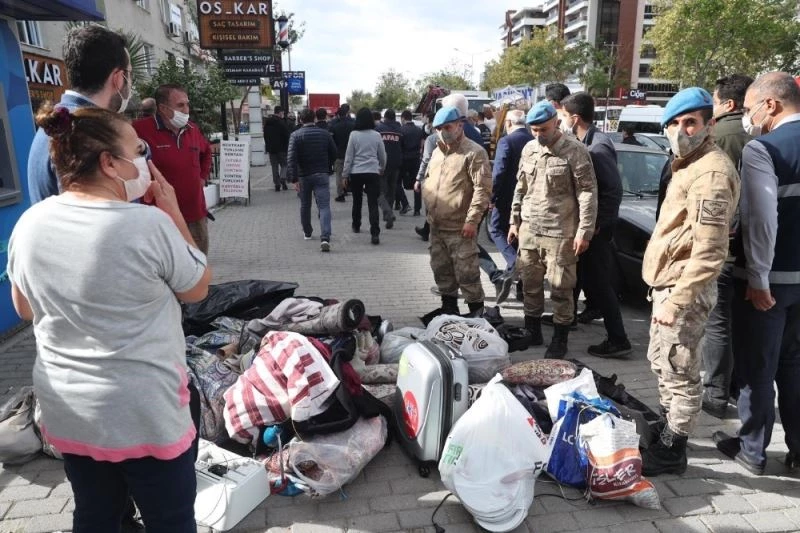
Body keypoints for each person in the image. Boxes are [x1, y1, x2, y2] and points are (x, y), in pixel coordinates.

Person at [8, 104, 211, 532]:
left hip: (70, 410)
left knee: (97, 514)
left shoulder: (28, 224)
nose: (145, 161)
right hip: (143, 413)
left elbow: (25, 308)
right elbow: (197, 288)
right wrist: (173, 210)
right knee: (170, 520)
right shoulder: (147, 225)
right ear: (109, 163)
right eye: (137, 151)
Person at [24, 25, 149, 531]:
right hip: (101, 339)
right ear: (118, 76)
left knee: (99, 479)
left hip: (69, 338)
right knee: (104, 482)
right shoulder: (85, 135)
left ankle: (119, 515)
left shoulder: (54, 129)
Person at [640, 87, 739, 476]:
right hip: (667, 286)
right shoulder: (688, 164)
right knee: (662, 364)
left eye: (691, 122)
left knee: (680, 372)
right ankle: (669, 430)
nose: (682, 130)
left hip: (683, 291)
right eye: (675, 124)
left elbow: (710, 252)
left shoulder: (711, 172)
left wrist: (677, 301)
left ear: (708, 125)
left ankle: (672, 450)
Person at [714, 72, 800, 476]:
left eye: (749, 109)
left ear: (772, 105)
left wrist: (759, 278)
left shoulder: (762, 149)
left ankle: (752, 450)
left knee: (756, 368)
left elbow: (763, 220)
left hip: (770, 283)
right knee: (795, 366)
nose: (747, 118)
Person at [508, 101, 597, 357]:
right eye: (534, 130)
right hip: (530, 230)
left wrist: (584, 231)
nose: (539, 135)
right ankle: (532, 330)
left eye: (543, 129)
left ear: (556, 123)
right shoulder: (528, 149)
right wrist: (514, 221)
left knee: (560, 287)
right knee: (530, 284)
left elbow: (588, 193)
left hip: (560, 233)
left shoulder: (575, 151)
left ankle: (560, 338)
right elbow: (520, 188)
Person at [28, 24, 134, 203]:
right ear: (117, 78)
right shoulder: (88, 134)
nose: (130, 83)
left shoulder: (57, 122)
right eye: (130, 74)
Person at [561, 92, 630, 357]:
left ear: (575, 118)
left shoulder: (597, 148)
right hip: (586, 227)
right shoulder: (581, 142)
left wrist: (596, 225)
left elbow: (613, 191)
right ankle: (567, 320)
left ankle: (618, 339)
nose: (563, 121)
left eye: (564, 117)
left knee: (600, 284)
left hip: (596, 231)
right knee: (577, 273)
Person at [701, 74, 753, 419]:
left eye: (715, 103)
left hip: (723, 246)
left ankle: (716, 395)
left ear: (728, 104)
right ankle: (735, 387)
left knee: (717, 323)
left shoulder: (719, 135)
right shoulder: (762, 133)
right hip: (755, 249)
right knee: (740, 323)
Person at [418, 106, 492, 316]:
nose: (443, 131)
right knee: (442, 272)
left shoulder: (474, 152)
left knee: (467, 274)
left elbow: (482, 189)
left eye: (447, 126)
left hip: (460, 227)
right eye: (438, 128)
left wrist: (472, 220)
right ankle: (449, 310)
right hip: (437, 226)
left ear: (460, 125)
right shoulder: (437, 153)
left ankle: (477, 314)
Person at [134, 84, 212, 255]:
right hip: (160, 220)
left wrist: (202, 177)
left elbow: (207, 152)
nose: (186, 110)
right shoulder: (140, 130)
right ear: (162, 108)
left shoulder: (192, 130)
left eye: (187, 104)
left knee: (199, 268)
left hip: (194, 216)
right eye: (180, 105)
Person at [489, 109, 532, 303]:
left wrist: (491, 196)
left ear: (508, 123)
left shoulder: (506, 141)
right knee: (518, 240)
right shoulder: (533, 139)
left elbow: (499, 172)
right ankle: (521, 288)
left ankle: (515, 264)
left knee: (495, 229)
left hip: (506, 198)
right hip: (529, 199)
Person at [287, 108, 338, 252]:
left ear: (301, 120)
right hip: (321, 174)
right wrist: (327, 164)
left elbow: (291, 158)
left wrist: (294, 178)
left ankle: (308, 232)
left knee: (305, 205)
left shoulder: (295, 135)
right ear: (314, 118)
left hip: (303, 175)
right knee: (324, 206)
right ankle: (325, 237)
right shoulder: (325, 134)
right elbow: (334, 153)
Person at [342, 108, 387, 245]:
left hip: (356, 173)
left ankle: (356, 225)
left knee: (357, 201)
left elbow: (349, 157)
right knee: (373, 203)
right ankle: (375, 233)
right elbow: (382, 155)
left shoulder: (353, 135)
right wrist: (381, 168)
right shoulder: (376, 135)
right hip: (372, 172)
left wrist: (345, 174)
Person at [376, 109, 405, 220]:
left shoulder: (378, 129)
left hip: (382, 164)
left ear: (385, 117)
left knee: (380, 191)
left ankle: (388, 212)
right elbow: (403, 146)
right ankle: (389, 213)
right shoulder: (400, 130)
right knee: (392, 189)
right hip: (396, 163)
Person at [400, 110, 424, 216]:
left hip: (404, 159)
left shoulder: (401, 130)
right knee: (417, 183)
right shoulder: (418, 130)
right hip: (415, 159)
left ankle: (403, 203)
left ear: (403, 118)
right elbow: (422, 144)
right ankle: (417, 208)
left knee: (397, 182)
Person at [330, 103, 355, 202]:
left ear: (338, 115)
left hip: (339, 153)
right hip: (352, 153)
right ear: (347, 113)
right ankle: (351, 189)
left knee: (339, 175)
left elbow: (332, 141)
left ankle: (341, 194)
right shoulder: (353, 124)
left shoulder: (334, 126)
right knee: (351, 173)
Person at [262, 105, 290, 191]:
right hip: (282, 149)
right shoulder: (282, 122)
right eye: (283, 112)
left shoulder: (267, 122)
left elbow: (265, 136)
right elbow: (287, 136)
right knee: (284, 165)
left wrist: (268, 146)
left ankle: (277, 185)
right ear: (280, 112)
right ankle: (283, 179)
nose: (283, 114)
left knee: (274, 167)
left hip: (271, 149)